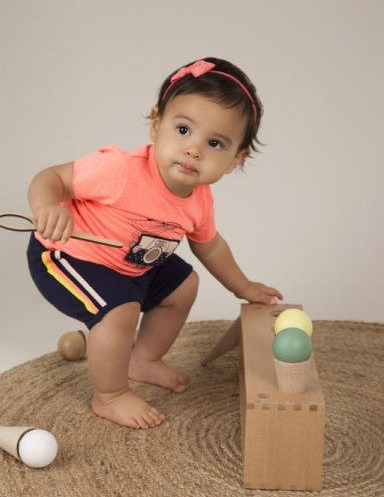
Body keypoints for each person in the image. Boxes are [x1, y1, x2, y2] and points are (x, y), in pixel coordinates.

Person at [27, 57, 283, 430]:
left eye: (214, 143)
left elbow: (210, 247)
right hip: (67, 254)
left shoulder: (199, 200)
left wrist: (243, 287)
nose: (194, 149)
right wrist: (48, 206)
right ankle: (110, 395)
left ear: (234, 160)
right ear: (156, 124)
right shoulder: (119, 170)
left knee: (184, 285)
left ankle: (142, 359)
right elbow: (51, 177)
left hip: (131, 263)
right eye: (183, 129)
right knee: (120, 310)